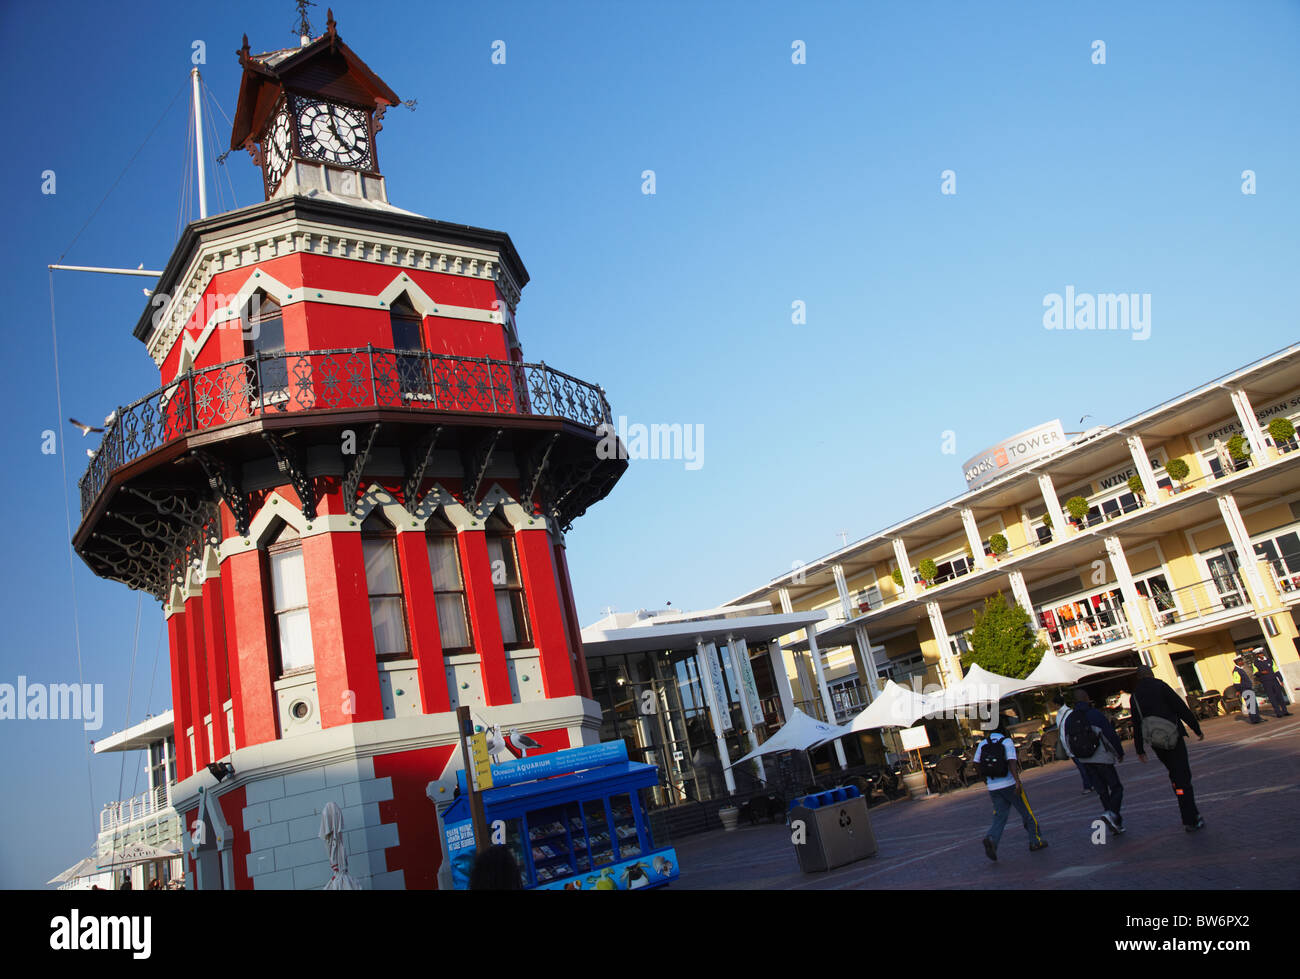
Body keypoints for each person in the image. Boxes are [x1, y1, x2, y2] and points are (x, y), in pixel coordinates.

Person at [1131, 665, 1206, 832]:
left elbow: (1136, 724)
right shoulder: (1161, 686)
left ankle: (1185, 804)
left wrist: (1140, 749)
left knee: (1175, 774)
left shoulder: (1135, 696)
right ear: (1150, 673)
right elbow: (1181, 708)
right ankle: (1190, 818)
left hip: (1156, 741)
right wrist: (1196, 728)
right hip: (1173, 736)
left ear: (1138, 678)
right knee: (1183, 776)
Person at [972, 720, 1047, 861]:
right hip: (1009, 784)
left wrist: (984, 779)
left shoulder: (983, 744)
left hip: (993, 787)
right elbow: (1012, 762)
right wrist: (1017, 781)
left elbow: (975, 763)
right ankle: (1035, 840)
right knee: (1026, 812)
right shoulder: (1006, 742)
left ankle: (992, 839)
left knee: (999, 816)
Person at [1064, 691, 1126, 833]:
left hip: (1085, 760)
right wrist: (1119, 752)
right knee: (1116, 787)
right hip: (1101, 757)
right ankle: (1112, 814)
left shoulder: (1070, 718)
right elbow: (1109, 734)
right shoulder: (1094, 714)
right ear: (1086, 698)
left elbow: (1068, 740)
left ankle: (1115, 822)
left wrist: (1077, 756)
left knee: (1102, 791)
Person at [1053, 691, 1094, 794]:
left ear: (1056, 704)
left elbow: (1063, 732)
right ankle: (1091, 783)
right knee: (1084, 765)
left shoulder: (1062, 715)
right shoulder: (1068, 712)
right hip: (1074, 743)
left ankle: (1088, 785)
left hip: (1071, 744)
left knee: (1082, 766)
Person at [1252, 649, 1291, 717]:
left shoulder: (1270, 660)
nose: (1261, 655)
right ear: (1257, 655)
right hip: (1266, 682)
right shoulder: (1255, 663)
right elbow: (1255, 673)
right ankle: (1278, 712)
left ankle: (1285, 711)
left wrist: (1281, 680)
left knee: (1280, 696)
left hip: (1274, 681)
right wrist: (1261, 672)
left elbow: (1276, 670)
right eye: (1259, 654)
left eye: (1261, 653)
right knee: (1272, 698)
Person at [1233, 655, 1261, 724]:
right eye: (1241, 661)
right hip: (1244, 689)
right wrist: (1238, 690)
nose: (1242, 662)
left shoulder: (1241, 669)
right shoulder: (1236, 671)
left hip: (1248, 688)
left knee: (1253, 703)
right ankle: (1254, 719)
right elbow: (1236, 682)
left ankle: (1257, 718)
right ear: (1237, 662)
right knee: (1250, 704)